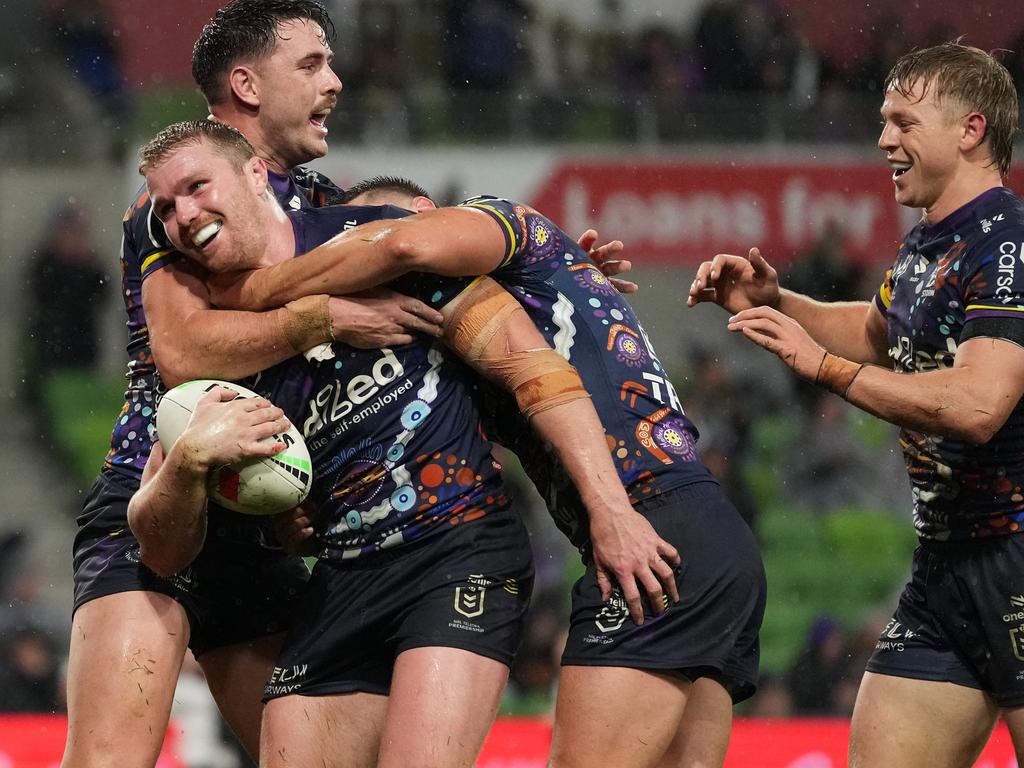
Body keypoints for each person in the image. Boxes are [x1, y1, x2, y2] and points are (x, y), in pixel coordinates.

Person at [137, 119, 682, 768]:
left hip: (458, 550)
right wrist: (210, 477)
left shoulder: (380, 245)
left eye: (197, 186)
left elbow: (534, 371)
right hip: (344, 575)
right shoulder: (209, 341)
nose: (184, 215)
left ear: (256, 173)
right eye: (166, 209)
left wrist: (611, 511)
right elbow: (160, 548)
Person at [205, 173, 767, 767]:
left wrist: (255, 291)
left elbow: (401, 245)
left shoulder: (497, 219)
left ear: (425, 211)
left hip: (653, 527)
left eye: (356, 234)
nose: (357, 255)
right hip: (711, 540)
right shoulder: (489, 322)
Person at [62, 3, 445, 767]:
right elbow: (182, 354)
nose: (334, 82)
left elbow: (419, 292)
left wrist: (550, 281)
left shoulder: (322, 208)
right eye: (310, 64)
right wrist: (320, 318)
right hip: (152, 508)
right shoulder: (180, 198)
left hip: (263, 518)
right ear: (247, 83)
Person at [688, 42, 1024, 767]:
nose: (884, 140)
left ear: (970, 130)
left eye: (903, 121)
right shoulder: (926, 247)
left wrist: (825, 370)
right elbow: (877, 333)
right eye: (883, 121)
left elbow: (980, 403)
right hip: (945, 568)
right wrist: (779, 302)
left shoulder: (1009, 245)